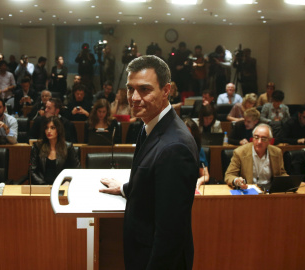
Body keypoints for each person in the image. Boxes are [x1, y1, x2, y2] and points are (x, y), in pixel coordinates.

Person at [99, 55, 199, 269]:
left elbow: (169, 234)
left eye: (144, 89)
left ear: (166, 91)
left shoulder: (175, 147)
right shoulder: (151, 125)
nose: (134, 97)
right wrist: (127, 188)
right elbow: (153, 182)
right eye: (130, 88)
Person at [225, 124, 287, 189]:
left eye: (263, 139)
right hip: (249, 190)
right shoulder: (240, 152)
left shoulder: (277, 152)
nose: (259, 142)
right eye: (256, 137)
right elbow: (229, 175)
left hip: (270, 191)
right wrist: (236, 181)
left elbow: (281, 173)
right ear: (252, 138)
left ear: (270, 141)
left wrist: (290, 180)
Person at [29, 116, 80, 185]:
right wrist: (44, 185)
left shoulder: (68, 147)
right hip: (42, 187)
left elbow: (76, 169)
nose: (49, 131)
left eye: (52, 128)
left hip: (61, 186)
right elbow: (32, 171)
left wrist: (68, 181)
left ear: (58, 129)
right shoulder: (37, 147)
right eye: (46, 128)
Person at [183, 118, 210, 190]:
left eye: (190, 135)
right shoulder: (171, 150)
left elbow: (205, 175)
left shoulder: (198, 150)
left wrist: (199, 181)